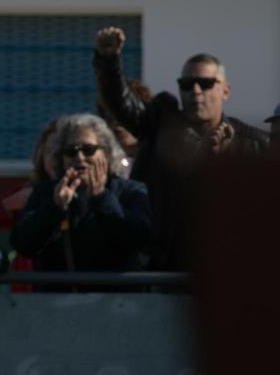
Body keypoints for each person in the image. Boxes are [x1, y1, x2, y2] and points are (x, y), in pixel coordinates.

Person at [92, 26, 270, 270]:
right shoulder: (158, 125)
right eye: (187, 84)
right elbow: (120, 104)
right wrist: (108, 60)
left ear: (225, 90)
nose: (196, 91)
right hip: (162, 268)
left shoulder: (254, 144)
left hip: (225, 270)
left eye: (206, 83)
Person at [11, 113, 151, 274]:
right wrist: (54, 207)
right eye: (71, 151)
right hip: (56, 296)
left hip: (117, 296)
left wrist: (101, 197)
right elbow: (22, 244)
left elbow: (139, 238)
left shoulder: (130, 191)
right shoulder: (46, 193)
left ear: (106, 153)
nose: (79, 157)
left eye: (88, 150)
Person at [0, 117, 60, 241]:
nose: (55, 158)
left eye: (63, 151)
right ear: (41, 155)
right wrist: (6, 205)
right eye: (50, 151)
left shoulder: (87, 196)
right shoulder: (28, 193)